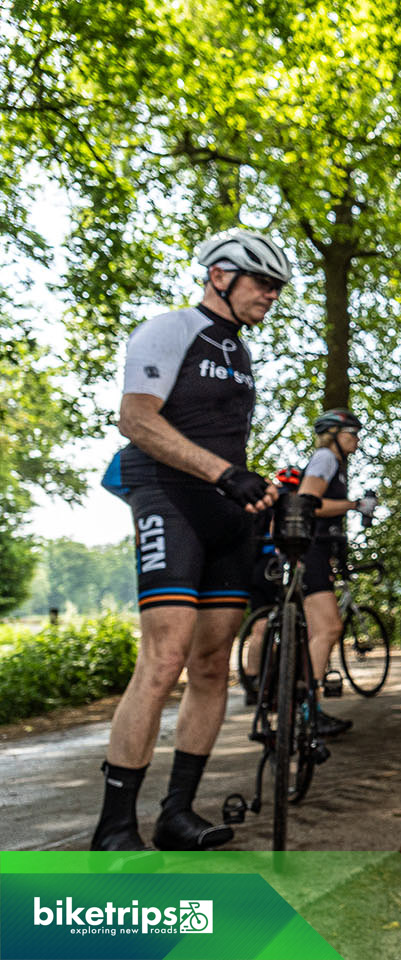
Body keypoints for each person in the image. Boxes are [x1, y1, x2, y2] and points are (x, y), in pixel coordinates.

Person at [92, 228, 289, 851]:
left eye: (278, 288)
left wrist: (256, 491)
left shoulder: (241, 352)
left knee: (211, 665)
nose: (272, 295)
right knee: (165, 658)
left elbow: (222, 440)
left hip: (227, 515)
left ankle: (176, 813)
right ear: (220, 276)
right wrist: (224, 473)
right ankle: (114, 826)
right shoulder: (171, 328)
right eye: (263, 282)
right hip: (168, 497)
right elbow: (136, 419)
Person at [297, 408, 377, 737]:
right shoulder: (325, 458)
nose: (357, 440)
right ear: (333, 435)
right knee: (328, 628)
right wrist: (355, 505)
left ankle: (306, 707)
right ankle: (307, 711)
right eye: (352, 434)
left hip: (319, 551)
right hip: (311, 550)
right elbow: (309, 500)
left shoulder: (336, 464)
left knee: (320, 631)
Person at [239, 465, 303, 702]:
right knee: (291, 622)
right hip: (277, 565)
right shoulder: (291, 503)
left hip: (255, 566)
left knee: (260, 627)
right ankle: (289, 680)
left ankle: (253, 681)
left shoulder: (264, 499)